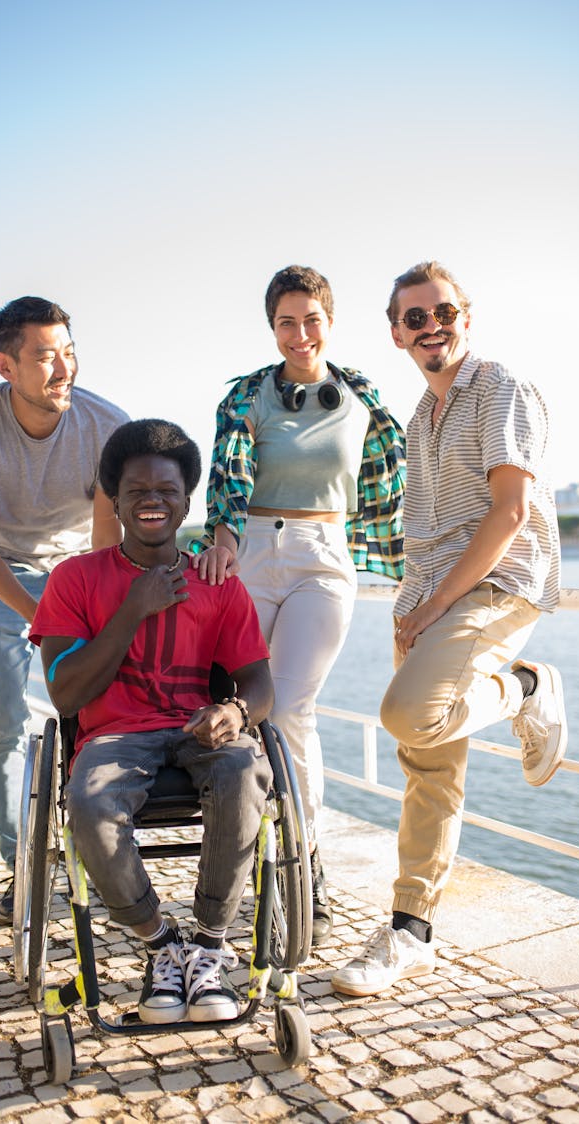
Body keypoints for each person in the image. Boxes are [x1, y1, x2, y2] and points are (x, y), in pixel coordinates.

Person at [331, 261, 566, 997]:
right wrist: (413, 602)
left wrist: (435, 608)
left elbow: (508, 514)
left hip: (498, 587)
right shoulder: (418, 419)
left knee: (409, 714)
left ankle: (526, 687)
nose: (431, 327)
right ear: (397, 334)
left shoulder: (501, 389)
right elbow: (425, 532)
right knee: (425, 757)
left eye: (444, 313)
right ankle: (411, 931)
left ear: (467, 316)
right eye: (415, 318)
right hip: (437, 593)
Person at [30, 418, 274, 1024]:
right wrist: (134, 608)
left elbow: (263, 685)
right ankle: (162, 944)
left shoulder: (216, 582)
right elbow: (65, 693)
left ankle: (209, 948)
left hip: (198, 729)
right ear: (114, 501)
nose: (152, 502)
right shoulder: (75, 579)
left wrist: (236, 710)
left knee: (246, 767)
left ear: (187, 500)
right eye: (136, 491)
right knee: (85, 802)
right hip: (114, 735)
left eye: (166, 491)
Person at [191, 265, 406, 945]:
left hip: (324, 554)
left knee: (292, 708)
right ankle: (258, 853)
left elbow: (400, 478)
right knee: (252, 708)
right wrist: (220, 538)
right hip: (252, 550)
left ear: (330, 322)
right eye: (287, 321)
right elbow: (225, 476)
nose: (300, 332)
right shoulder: (245, 396)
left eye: (312, 318)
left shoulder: (363, 395)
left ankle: (304, 860)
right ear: (272, 327)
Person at [0, 296, 128, 923]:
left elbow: (105, 542)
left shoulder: (105, 424)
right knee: (3, 723)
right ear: (6, 366)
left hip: (76, 573)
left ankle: (93, 845)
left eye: (69, 353)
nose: (64, 369)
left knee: (94, 713)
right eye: (46, 357)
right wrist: (33, 614)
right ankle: (23, 866)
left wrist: (76, 612)